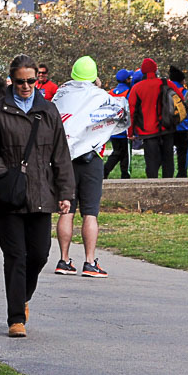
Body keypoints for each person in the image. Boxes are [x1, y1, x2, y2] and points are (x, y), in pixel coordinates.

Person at [0, 54, 74, 338]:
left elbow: (61, 156)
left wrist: (66, 192)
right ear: (12, 81)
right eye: (21, 81)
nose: (27, 86)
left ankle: (24, 297)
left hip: (41, 192)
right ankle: (16, 318)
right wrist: (2, 172)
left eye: (32, 80)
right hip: (10, 195)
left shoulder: (48, 111)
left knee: (40, 254)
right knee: (15, 256)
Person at [52, 56, 113, 280]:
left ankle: (64, 259)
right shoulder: (102, 97)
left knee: (66, 210)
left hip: (65, 159)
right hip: (91, 159)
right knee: (90, 212)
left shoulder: (62, 95)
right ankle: (89, 261)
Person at [127, 58, 184, 179]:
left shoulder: (137, 88)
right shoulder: (167, 83)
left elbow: (132, 113)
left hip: (147, 132)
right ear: (156, 69)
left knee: (151, 163)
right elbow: (181, 101)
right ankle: (168, 187)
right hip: (167, 127)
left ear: (142, 71)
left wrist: (131, 132)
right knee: (168, 160)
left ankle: (152, 189)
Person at [103, 69, 133, 179]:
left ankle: (107, 171)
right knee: (124, 154)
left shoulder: (111, 93)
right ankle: (123, 174)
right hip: (124, 129)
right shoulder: (128, 93)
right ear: (126, 80)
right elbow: (130, 111)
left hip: (112, 128)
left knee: (118, 152)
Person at [168, 66, 188, 177]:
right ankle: (182, 173)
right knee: (182, 153)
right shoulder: (184, 91)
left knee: (168, 153)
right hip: (183, 127)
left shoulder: (165, 90)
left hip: (169, 127)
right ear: (182, 80)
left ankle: (168, 174)